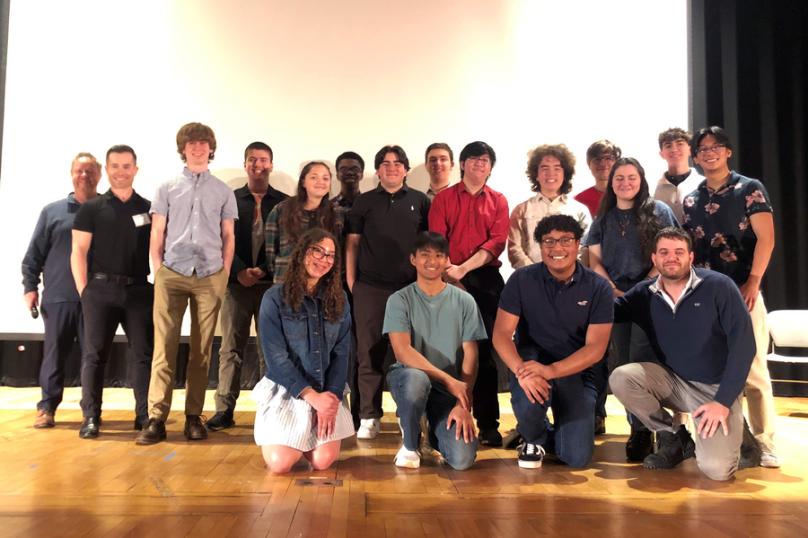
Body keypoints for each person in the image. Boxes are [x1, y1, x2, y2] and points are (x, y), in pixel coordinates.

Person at [610, 227, 755, 481]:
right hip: (674, 382)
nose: (671, 258)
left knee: (717, 471)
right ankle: (676, 437)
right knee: (622, 377)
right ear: (654, 259)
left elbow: (745, 347)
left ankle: (743, 438)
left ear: (691, 256)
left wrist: (722, 402)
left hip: (715, 391)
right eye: (664, 252)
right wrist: (578, 295)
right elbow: (611, 312)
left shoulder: (719, 287)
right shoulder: (645, 293)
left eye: (679, 252)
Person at [683, 126, 779, 468]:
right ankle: (728, 440)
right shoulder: (691, 199)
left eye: (716, 147)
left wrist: (754, 280)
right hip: (705, 298)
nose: (709, 153)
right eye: (703, 149)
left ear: (727, 152)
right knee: (710, 368)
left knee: (752, 371)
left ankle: (765, 442)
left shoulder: (750, 189)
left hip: (744, 292)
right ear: (695, 157)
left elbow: (766, 239)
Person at [136, 122, 237, 445]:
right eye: (191, 143)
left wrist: (223, 272)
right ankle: (156, 418)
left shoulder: (222, 191)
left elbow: (228, 236)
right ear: (183, 148)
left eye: (203, 142)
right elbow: (157, 231)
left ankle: (194, 416)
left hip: (210, 275)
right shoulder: (167, 187)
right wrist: (158, 270)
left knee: (202, 350)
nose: (197, 148)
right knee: (163, 348)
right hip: (172, 272)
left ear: (211, 148)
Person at [492, 214, 612, 469]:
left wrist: (552, 370)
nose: (557, 248)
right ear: (540, 246)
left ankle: (551, 433)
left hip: (575, 370)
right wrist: (520, 371)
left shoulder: (598, 287)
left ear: (578, 244)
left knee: (576, 458)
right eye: (549, 241)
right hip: (531, 366)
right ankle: (533, 436)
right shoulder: (522, 280)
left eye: (565, 240)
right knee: (529, 398)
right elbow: (502, 334)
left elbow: (595, 349)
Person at [584, 157, 678, 459]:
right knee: (622, 365)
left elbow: (668, 254)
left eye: (631, 177)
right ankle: (638, 430)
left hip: (652, 296)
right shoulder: (604, 217)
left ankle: (663, 431)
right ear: (611, 183)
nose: (625, 183)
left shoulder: (658, 211)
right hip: (615, 299)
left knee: (645, 362)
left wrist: (641, 287)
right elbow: (593, 260)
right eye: (619, 178)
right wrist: (610, 287)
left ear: (641, 180)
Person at [345, 145, 430, 439]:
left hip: (410, 290)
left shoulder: (420, 202)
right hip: (369, 287)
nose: (392, 167)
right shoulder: (364, 202)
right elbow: (353, 244)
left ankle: (410, 414)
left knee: (410, 354)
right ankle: (369, 415)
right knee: (368, 352)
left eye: (397, 163)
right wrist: (352, 282)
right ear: (378, 170)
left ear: (406, 170)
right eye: (385, 163)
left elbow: (427, 248)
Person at [429, 141, 508, 447]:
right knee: (450, 351)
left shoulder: (498, 200)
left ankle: (488, 424)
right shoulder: (444, 199)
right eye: (473, 159)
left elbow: (497, 242)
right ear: (461, 164)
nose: (479, 164)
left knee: (486, 352)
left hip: (486, 279)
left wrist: (464, 269)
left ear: (490, 167)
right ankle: (444, 416)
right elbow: (437, 240)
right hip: (445, 278)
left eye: (485, 160)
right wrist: (453, 275)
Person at [254, 228, 353, 473]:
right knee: (281, 464)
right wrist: (312, 397)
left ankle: (304, 439)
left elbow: (342, 354)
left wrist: (331, 399)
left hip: (325, 389)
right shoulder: (274, 298)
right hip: (290, 389)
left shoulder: (339, 298)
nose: (323, 259)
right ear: (301, 253)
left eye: (330, 255)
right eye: (317, 251)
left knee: (322, 462)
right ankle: (289, 438)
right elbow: (276, 358)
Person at [70, 145, 153, 439]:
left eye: (126, 166)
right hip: (100, 290)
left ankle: (144, 416)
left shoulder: (147, 208)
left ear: (135, 169)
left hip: (139, 291)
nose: (121, 171)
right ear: (107, 170)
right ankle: (91, 417)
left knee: (143, 355)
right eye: (115, 166)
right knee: (94, 356)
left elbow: (157, 250)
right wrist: (85, 292)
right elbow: (78, 251)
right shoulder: (92, 208)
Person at [384, 232, 486, 470]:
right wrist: (448, 380)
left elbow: (471, 355)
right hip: (410, 379)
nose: (432, 261)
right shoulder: (399, 299)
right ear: (413, 259)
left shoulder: (465, 300)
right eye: (425, 255)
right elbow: (402, 351)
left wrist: (463, 404)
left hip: (448, 392)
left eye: (439, 255)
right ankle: (410, 444)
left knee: (462, 460)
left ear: (447, 260)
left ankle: (433, 432)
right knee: (415, 379)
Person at [208, 142, 288, 431]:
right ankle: (224, 410)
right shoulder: (228, 199)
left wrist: (265, 269)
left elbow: (287, 243)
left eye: (264, 160)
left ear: (271, 165)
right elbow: (218, 238)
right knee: (230, 348)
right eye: (253, 160)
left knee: (270, 349)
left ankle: (271, 408)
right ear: (245, 165)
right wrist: (240, 270)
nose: (258, 165)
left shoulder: (284, 202)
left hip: (272, 286)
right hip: (236, 284)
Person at [22, 152, 101, 428]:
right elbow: (34, 254)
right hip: (58, 297)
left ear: (99, 175)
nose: (85, 176)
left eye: (90, 171)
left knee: (93, 356)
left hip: (96, 299)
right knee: (54, 355)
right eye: (80, 171)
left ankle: (91, 412)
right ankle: (47, 408)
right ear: (71, 174)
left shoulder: (106, 209)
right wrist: (30, 286)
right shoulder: (52, 212)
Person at [508, 143, 591, 269]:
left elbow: (585, 248)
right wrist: (535, 275)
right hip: (531, 281)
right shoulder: (521, 210)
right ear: (536, 174)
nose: (551, 173)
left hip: (572, 282)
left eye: (557, 168)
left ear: (565, 174)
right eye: (545, 168)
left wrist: (568, 272)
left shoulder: (579, 211)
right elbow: (515, 249)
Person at [265, 161, 342, 283]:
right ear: (303, 182)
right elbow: (270, 253)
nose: (320, 182)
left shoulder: (337, 214)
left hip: (322, 285)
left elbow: (338, 252)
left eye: (325, 178)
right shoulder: (282, 209)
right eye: (314, 177)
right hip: (285, 281)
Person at [653, 127, 705, 222]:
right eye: (668, 146)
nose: (674, 149)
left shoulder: (704, 184)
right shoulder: (653, 189)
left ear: (690, 149)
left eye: (680, 144)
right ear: (661, 154)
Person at [574, 139, 621, 218]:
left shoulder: (628, 196)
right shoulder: (579, 200)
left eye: (608, 158)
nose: (602, 163)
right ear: (589, 165)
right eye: (597, 159)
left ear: (617, 163)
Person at [332, 151, 364, 218]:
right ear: (337, 175)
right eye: (344, 169)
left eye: (355, 169)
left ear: (361, 175)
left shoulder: (370, 204)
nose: (349, 172)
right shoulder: (328, 207)